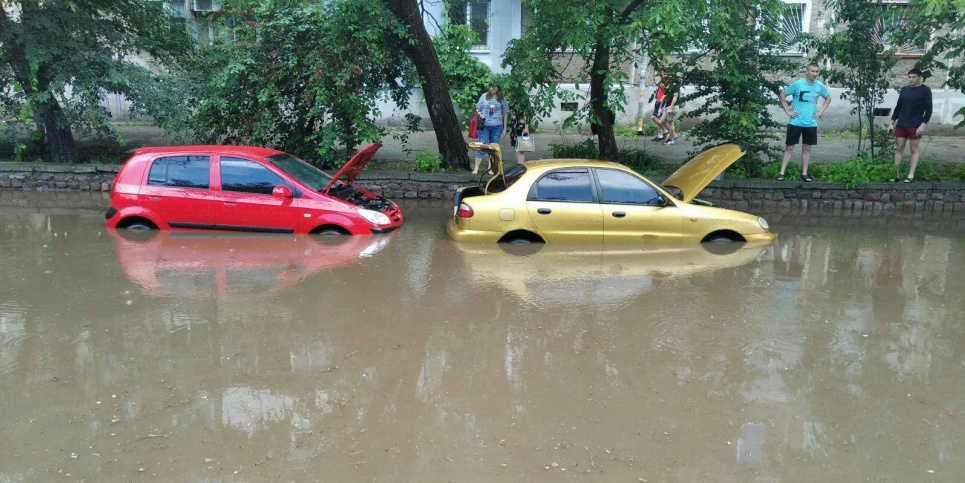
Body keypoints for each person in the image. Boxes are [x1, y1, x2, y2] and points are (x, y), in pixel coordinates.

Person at [777, 63, 831, 182]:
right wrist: (787, 110)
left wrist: (820, 111)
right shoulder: (798, 84)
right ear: (807, 71)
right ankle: (781, 173)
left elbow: (828, 98)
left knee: (807, 148)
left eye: (817, 71)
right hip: (796, 122)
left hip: (810, 123)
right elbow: (782, 95)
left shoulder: (819, 86)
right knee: (789, 147)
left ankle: (804, 173)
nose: (815, 74)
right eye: (812, 71)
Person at [886, 68, 933, 183]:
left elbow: (929, 110)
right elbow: (898, 107)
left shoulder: (925, 90)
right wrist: (891, 122)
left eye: (914, 77)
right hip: (902, 123)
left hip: (915, 124)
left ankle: (910, 175)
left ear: (919, 77)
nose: (911, 79)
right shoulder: (904, 90)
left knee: (913, 149)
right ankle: (896, 174)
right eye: (909, 77)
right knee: (899, 148)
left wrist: (923, 125)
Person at [474, 80, 509, 174]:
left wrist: (505, 129)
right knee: (482, 145)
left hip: (497, 126)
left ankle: (490, 168)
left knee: (493, 147)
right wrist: (480, 114)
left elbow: (505, 113)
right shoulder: (484, 96)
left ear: (498, 88)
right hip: (484, 126)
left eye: (494, 87)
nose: (491, 89)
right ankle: (476, 168)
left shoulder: (501, 98)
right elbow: (477, 109)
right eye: (490, 87)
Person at [660, 75, 681, 145]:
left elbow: (675, 97)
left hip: (673, 106)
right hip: (667, 106)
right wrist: (664, 106)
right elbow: (667, 97)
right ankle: (672, 134)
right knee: (662, 121)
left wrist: (671, 107)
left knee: (670, 123)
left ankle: (671, 139)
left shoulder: (676, 86)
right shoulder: (669, 86)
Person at [651, 73, 670, 142]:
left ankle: (666, 131)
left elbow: (667, 93)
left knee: (654, 117)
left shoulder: (667, 82)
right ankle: (660, 135)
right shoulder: (663, 81)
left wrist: (662, 101)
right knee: (658, 118)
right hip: (658, 100)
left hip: (661, 101)